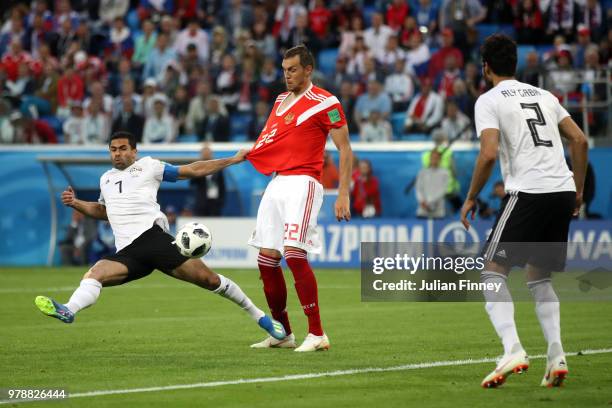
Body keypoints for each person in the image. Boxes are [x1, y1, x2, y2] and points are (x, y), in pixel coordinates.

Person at [34, 131, 287, 345]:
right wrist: (76, 203)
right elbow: (103, 212)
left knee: (209, 280)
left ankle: (261, 318)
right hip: (128, 252)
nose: (117, 154)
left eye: (123, 149)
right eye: (113, 149)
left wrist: (232, 160)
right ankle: (68, 309)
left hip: (153, 240)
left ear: (134, 151)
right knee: (94, 274)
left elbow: (192, 170)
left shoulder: (149, 166)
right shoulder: (106, 180)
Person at [460, 35, 588, 388]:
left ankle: (512, 348)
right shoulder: (545, 96)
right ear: (515, 64)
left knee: (492, 269)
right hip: (561, 190)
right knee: (538, 277)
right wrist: (577, 190)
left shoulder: (488, 100)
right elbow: (579, 140)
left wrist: (471, 196)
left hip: (528, 192)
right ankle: (556, 355)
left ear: (485, 67)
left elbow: (487, 153)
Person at [246, 45, 353, 352]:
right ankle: (283, 333)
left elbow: (345, 148)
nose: (287, 76)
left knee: (294, 254)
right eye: (284, 70)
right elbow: (272, 140)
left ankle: (317, 333)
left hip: (304, 182)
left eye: (292, 69)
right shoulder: (280, 101)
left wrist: (342, 192)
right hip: (277, 183)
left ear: (308, 69)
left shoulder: (327, 102)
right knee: (266, 261)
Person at [191, 144, 226, 216]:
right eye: (204, 153)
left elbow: (222, 186)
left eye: (208, 153)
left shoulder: (218, 168)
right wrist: (199, 167)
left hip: (215, 203)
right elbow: (192, 183)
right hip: (201, 203)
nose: (206, 155)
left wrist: (221, 201)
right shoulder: (197, 167)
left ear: (211, 154)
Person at [415, 150, 449, 218]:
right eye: (433, 157)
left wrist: (429, 202)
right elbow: (418, 188)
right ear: (430, 158)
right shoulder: (422, 172)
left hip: (438, 211)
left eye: (436, 158)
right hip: (423, 210)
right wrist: (422, 201)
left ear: (440, 159)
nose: (434, 160)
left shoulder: (445, 173)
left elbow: (443, 190)